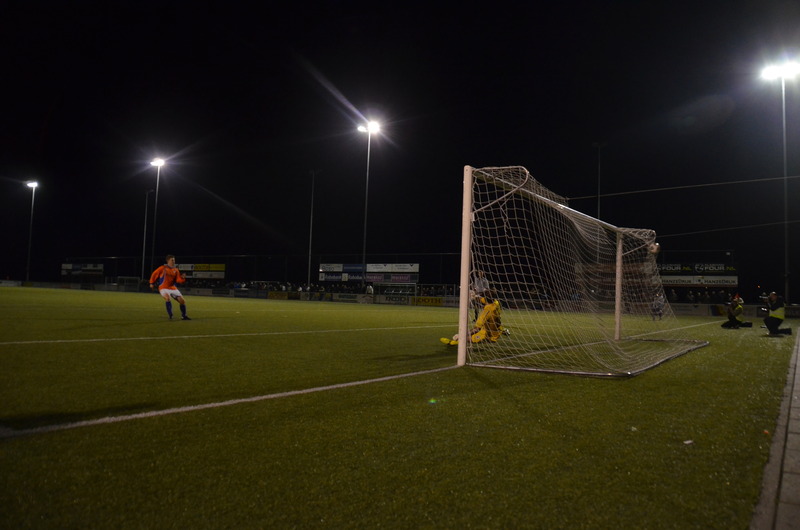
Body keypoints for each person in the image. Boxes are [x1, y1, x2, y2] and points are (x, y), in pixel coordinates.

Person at [440, 296, 507, 345]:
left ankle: (453, 342)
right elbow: (481, 299)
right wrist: (474, 296)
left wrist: (461, 335)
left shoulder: (487, 311)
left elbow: (477, 328)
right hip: (493, 328)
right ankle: (503, 330)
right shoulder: (496, 302)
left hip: (489, 334)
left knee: (470, 339)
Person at [149, 255, 191, 320]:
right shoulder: (163, 268)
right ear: (168, 260)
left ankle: (184, 316)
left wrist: (182, 278)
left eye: (174, 260)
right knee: (168, 298)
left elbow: (178, 280)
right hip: (163, 288)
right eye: (172, 260)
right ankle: (171, 315)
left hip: (173, 288)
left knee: (182, 301)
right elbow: (154, 274)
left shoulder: (176, 270)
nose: (173, 261)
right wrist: (151, 283)